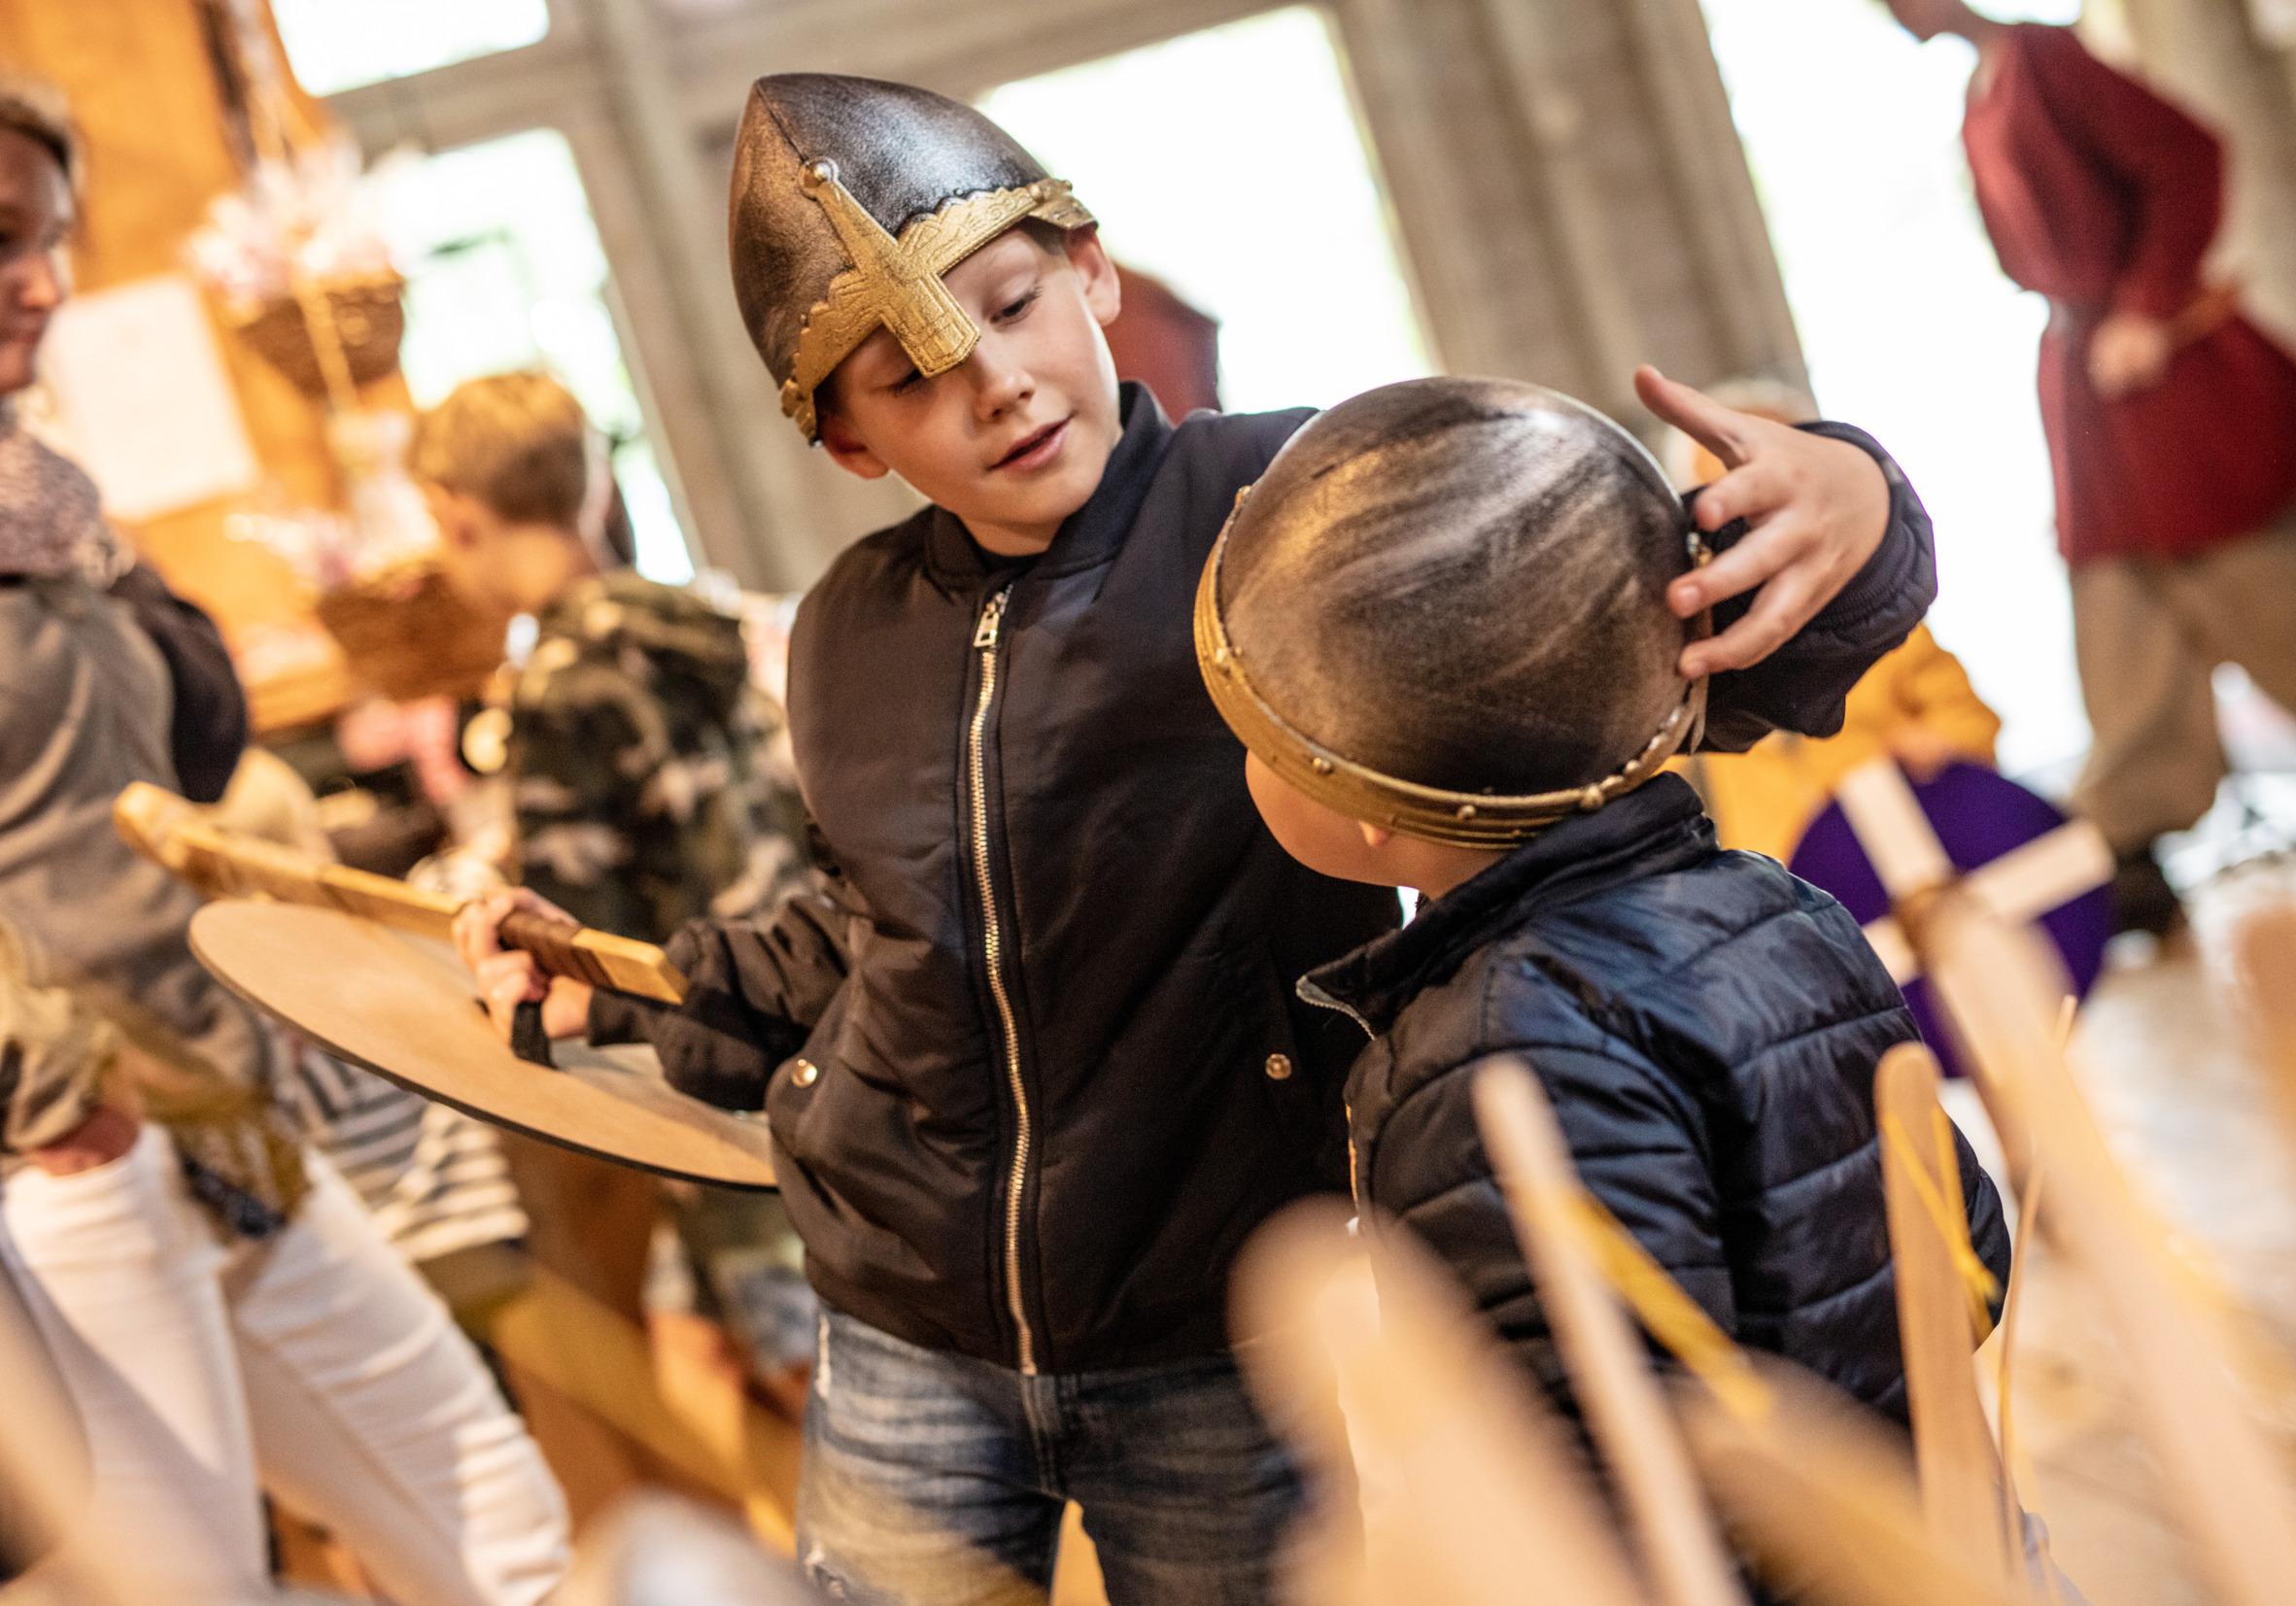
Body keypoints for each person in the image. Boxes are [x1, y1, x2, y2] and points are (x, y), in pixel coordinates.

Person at [460, 73, 1947, 1605]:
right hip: (903, 1314)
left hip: (1216, 1332)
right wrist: (626, 985)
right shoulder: (847, 630)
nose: (995, 383)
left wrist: (1858, 504)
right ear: (844, 441)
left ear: (1092, 267)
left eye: (1016, 303)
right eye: (906, 374)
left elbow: (1614, 640)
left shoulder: (1299, 516)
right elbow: (867, 927)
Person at [1195, 376, 2010, 1532]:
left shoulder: (1489, 1058)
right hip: (1939, 1530)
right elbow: (1964, 1254)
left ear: (1371, 802)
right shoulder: (1777, 906)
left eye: (1255, 737)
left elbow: (1593, 1484)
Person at [0, 76, 569, 1603]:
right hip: (61, 1150)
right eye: (1, 240)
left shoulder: (47, 500)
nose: (42, 283)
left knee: (495, 1520)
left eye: (48, 239)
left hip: (211, 1106)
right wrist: (48, 1093)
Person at [1883, 0, 2296, 937]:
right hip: (2093, 397)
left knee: (2265, 583)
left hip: (2157, 391)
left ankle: (2143, 826)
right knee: (2120, 603)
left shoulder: (2048, 61)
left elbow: (2187, 154)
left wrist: (2148, 305)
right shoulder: (1981, 94)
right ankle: (2120, 835)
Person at [414, 369, 834, 1400]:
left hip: (691, 1034)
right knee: (688, 1338)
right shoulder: (696, 619)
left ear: (460, 520)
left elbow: (570, 931)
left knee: (806, 1375)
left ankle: (801, 1563)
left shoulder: (558, 684)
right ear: (595, 489)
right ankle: (730, 1560)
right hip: (790, 983)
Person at [1662, 381, 2003, 860]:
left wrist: (1938, 746)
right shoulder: (1681, 662)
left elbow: (1971, 722)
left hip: (1905, 864)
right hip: (1777, 884)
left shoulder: (1879, 628)